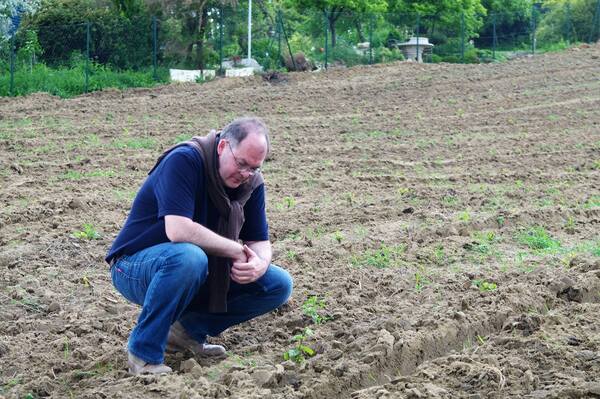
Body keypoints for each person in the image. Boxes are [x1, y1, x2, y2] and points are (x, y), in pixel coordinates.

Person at [106, 117, 293, 375]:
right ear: (222, 147)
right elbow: (178, 229)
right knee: (190, 257)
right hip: (134, 266)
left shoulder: (251, 183)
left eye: (254, 168)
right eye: (241, 163)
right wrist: (235, 250)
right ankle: (143, 354)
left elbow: (260, 241)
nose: (246, 174)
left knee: (278, 284)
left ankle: (185, 332)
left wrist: (259, 264)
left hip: (193, 270)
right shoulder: (185, 160)